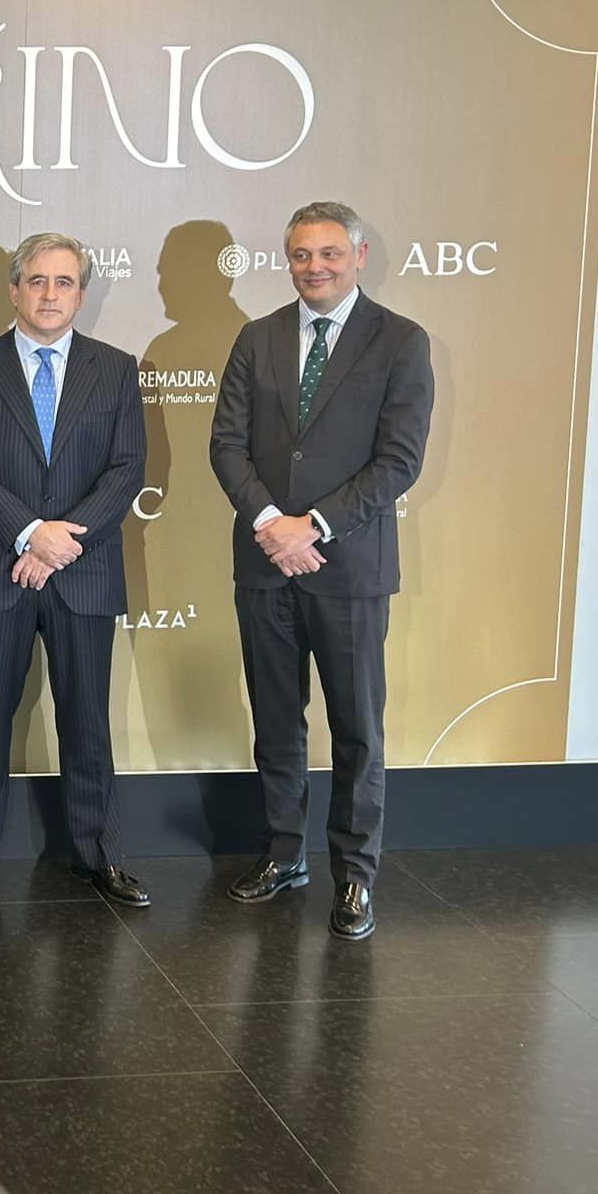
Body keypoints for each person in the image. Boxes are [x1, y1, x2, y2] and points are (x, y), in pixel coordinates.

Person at [208, 201, 433, 940]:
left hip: (349, 569)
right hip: (267, 566)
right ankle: (283, 856)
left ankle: (356, 877)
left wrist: (317, 527)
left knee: (357, 730)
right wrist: (274, 527)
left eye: (330, 254)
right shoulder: (257, 337)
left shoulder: (401, 341)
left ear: (359, 256)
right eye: (302, 255)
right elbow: (228, 447)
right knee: (276, 723)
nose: (315, 267)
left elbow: (397, 461)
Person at [0, 233, 150, 906]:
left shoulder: (115, 368)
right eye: (36, 281)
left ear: (81, 293)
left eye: (63, 282)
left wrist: (62, 544)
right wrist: (31, 534)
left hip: (82, 575)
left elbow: (126, 469)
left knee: (87, 718)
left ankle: (99, 854)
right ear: (14, 290)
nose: (49, 294)